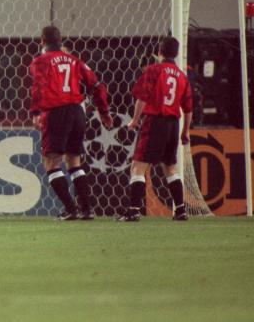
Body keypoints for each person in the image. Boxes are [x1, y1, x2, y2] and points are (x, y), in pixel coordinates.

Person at [29, 26, 111, 221]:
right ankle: (87, 210)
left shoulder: (40, 61)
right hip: (77, 112)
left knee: (52, 162)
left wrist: (35, 112)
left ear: (42, 41)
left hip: (57, 112)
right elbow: (97, 86)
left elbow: (38, 86)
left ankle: (71, 209)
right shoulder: (75, 61)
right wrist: (104, 112)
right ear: (60, 41)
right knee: (74, 161)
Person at [117, 37, 194, 222]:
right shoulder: (182, 75)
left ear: (160, 51)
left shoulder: (154, 70)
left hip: (155, 122)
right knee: (170, 167)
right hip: (173, 124)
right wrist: (185, 131)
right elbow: (189, 108)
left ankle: (134, 210)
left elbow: (142, 98)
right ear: (176, 53)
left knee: (138, 166)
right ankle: (181, 210)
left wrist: (135, 120)